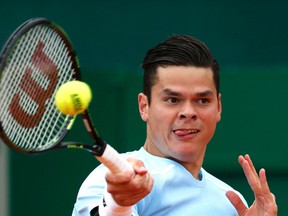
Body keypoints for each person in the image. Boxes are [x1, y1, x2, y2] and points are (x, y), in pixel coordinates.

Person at [72, 35, 277, 216]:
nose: (188, 112)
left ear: (219, 107)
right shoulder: (109, 182)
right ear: (144, 106)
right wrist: (118, 204)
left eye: (202, 100)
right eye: (172, 100)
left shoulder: (231, 203)